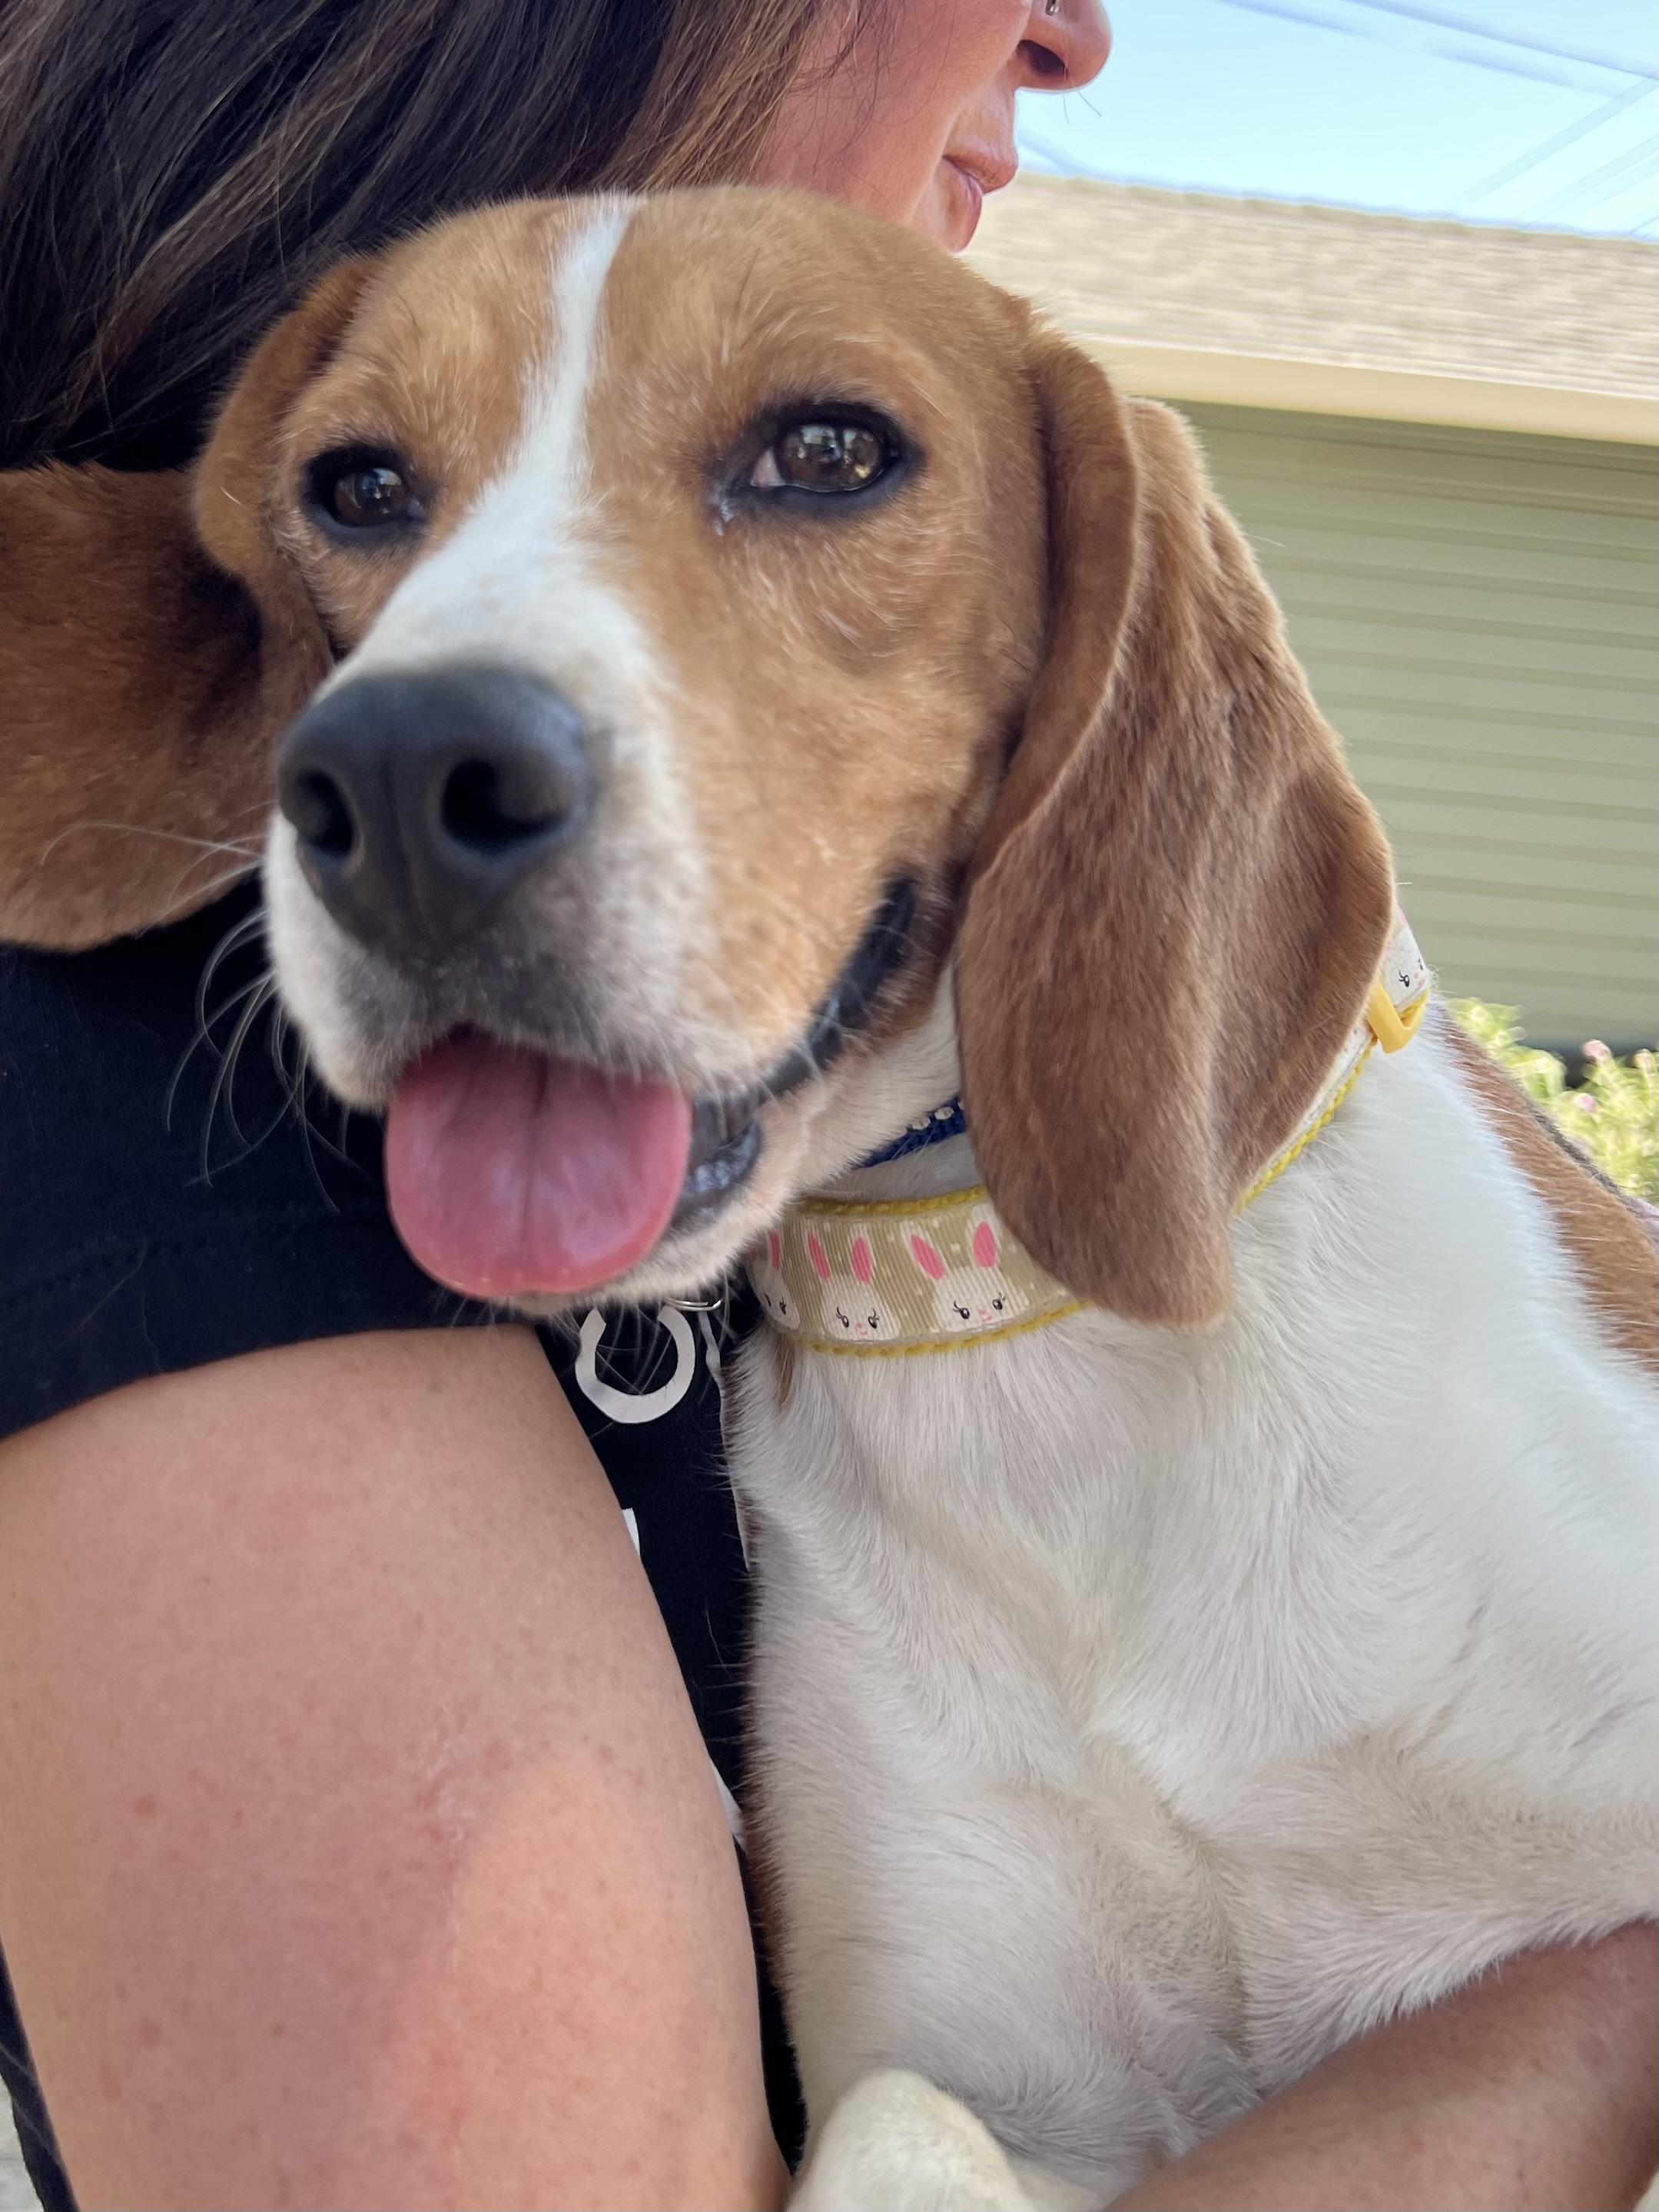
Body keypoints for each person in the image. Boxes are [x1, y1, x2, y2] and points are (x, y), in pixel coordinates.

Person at [0, 2, 1651, 2207]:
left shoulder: (1438, 1277)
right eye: (374, 497)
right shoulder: (131, 1145)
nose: (1072, 33)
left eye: (815, 454)